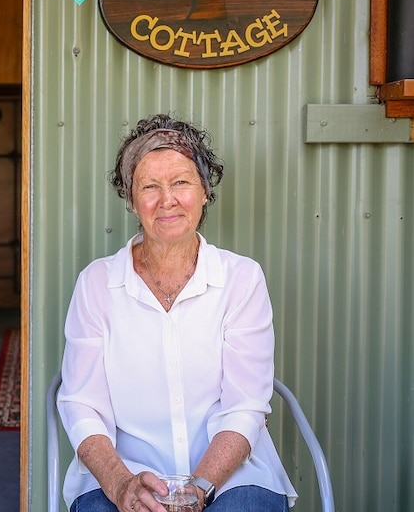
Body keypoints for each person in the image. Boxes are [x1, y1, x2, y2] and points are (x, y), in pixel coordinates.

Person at [57, 114, 296, 512]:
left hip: (230, 474)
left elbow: (245, 406)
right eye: (150, 187)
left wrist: (198, 488)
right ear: (132, 200)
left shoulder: (241, 279)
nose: (167, 200)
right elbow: (82, 403)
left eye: (181, 182)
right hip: (124, 471)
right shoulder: (97, 283)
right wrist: (120, 485)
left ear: (204, 192)